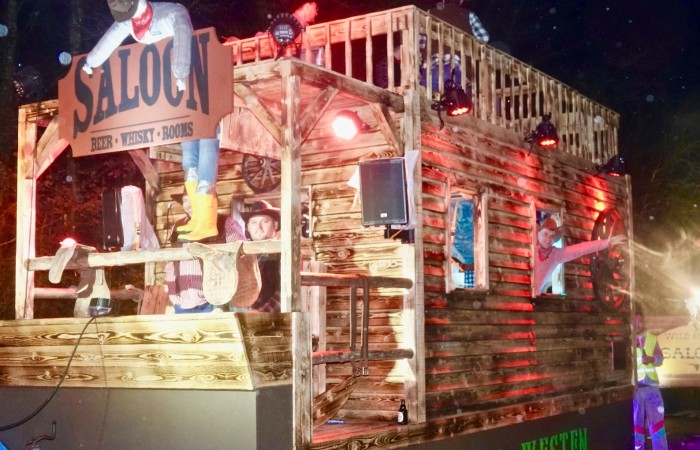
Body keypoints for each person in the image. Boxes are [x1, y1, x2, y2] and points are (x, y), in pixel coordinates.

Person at [85, 0, 220, 242]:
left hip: (198, 83)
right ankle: (198, 219)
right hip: (179, 97)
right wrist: (91, 62)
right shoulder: (128, 21)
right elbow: (110, 38)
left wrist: (180, 72)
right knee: (189, 162)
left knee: (206, 151)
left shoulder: (172, 13)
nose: (129, 19)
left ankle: (208, 222)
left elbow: (183, 36)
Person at [534, 217, 626, 294]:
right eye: (545, 234)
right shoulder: (530, 248)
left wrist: (606, 243)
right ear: (538, 233)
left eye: (552, 236)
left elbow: (580, 249)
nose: (548, 239)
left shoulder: (556, 255)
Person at [164, 195, 214, 314]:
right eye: (185, 200)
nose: (189, 205)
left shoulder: (216, 223)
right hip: (183, 303)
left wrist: (219, 302)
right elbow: (171, 262)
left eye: (193, 199)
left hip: (209, 302)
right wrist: (173, 294)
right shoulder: (177, 226)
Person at [231, 200, 281, 313]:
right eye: (254, 222)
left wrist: (261, 312)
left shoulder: (283, 252)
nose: (258, 227)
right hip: (239, 315)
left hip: (271, 318)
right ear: (248, 227)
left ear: (275, 225)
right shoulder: (240, 253)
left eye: (265, 221)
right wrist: (219, 308)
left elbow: (287, 290)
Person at [633, 311, 668, 450]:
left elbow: (660, 360)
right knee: (637, 426)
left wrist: (652, 359)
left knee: (657, 425)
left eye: (640, 321)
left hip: (652, 388)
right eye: (635, 321)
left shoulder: (652, 338)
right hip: (635, 389)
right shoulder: (628, 340)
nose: (638, 324)